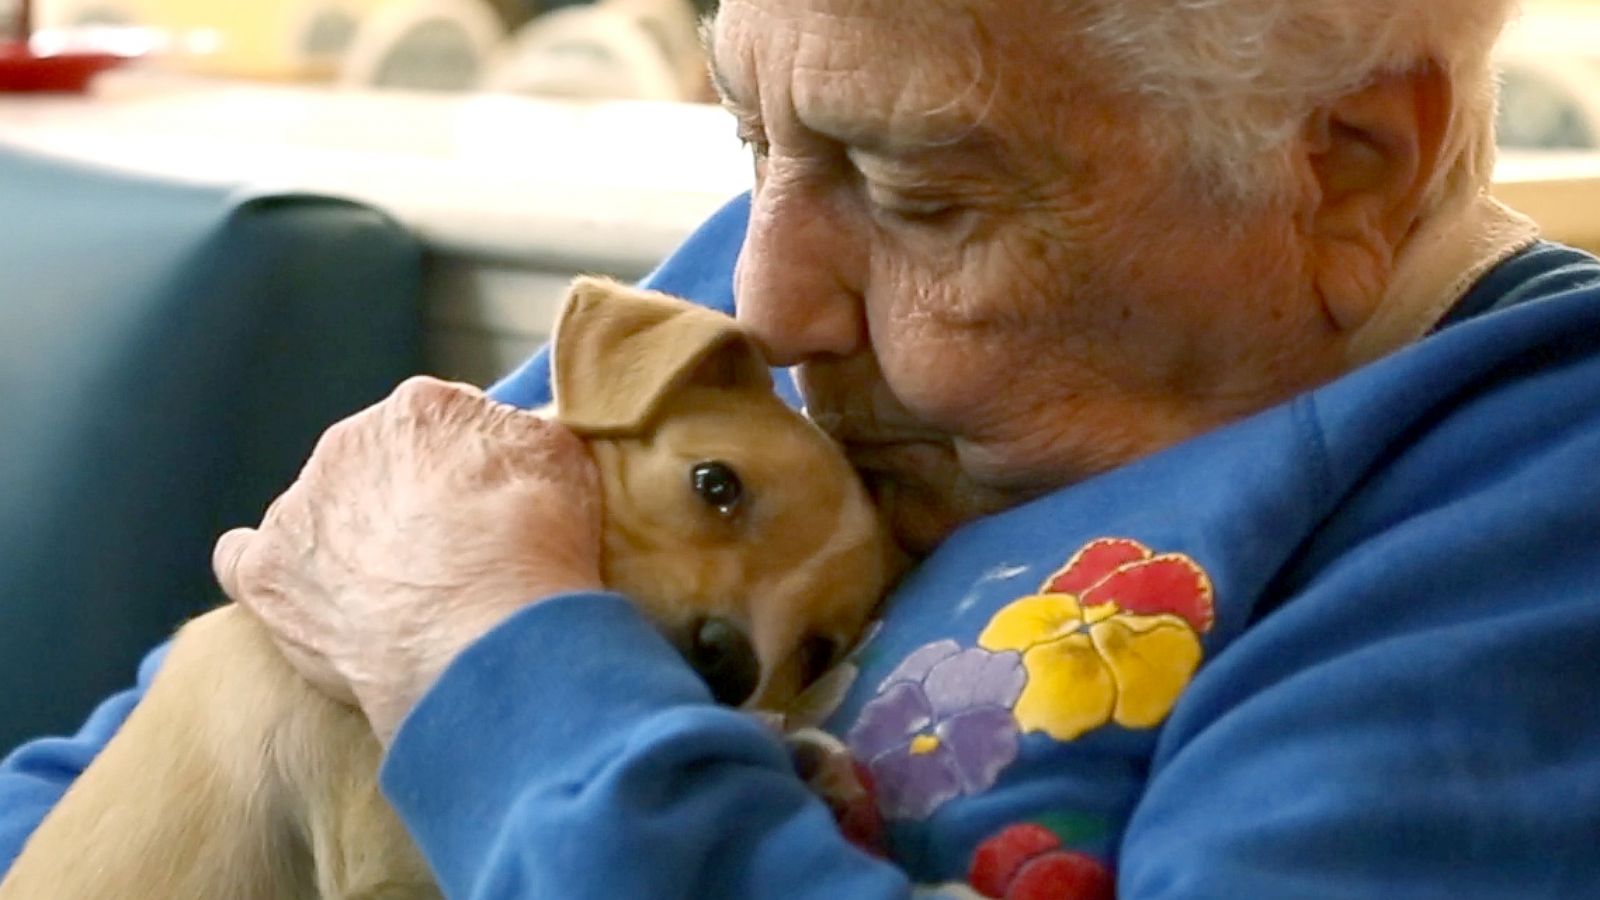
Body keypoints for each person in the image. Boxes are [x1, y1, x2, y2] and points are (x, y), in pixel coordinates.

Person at [6, 0, 1600, 896]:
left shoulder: (1525, 503)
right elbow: (153, 763)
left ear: (1349, 168)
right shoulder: (779, 289)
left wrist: (480, 652)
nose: (765, 294)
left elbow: (439, 655)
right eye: (754, 135)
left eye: (923, 192)